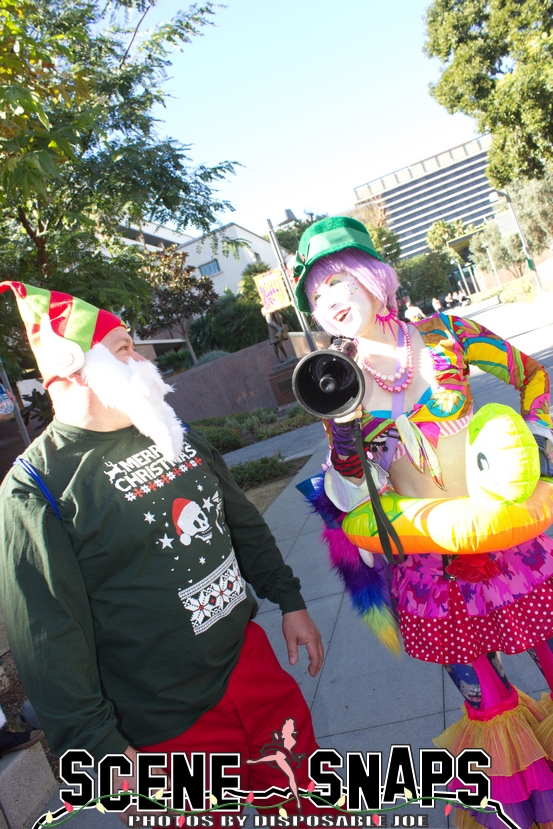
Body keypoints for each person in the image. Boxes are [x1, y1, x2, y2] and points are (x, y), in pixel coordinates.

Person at [0, 281, 327, 816]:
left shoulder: (168, 429)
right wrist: (100, 750)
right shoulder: (35, 486)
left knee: (317, 810)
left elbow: (240, 521)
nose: (143, 362)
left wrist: (288, 600)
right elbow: (47, 636)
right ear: (73, 365)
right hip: (163, 725)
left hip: (250, 667)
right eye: (126, 349)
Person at [292, 216, 553, 829]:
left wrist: (535, 448)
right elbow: (350, 493)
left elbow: (531, 376)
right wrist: (348, 439)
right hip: (429, 573)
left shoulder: (448, 337)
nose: (328, 302)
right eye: (315, 295)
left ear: (373, 281)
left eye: (338, 284)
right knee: (487, 704)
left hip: (514, 548)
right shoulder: (339, 385)